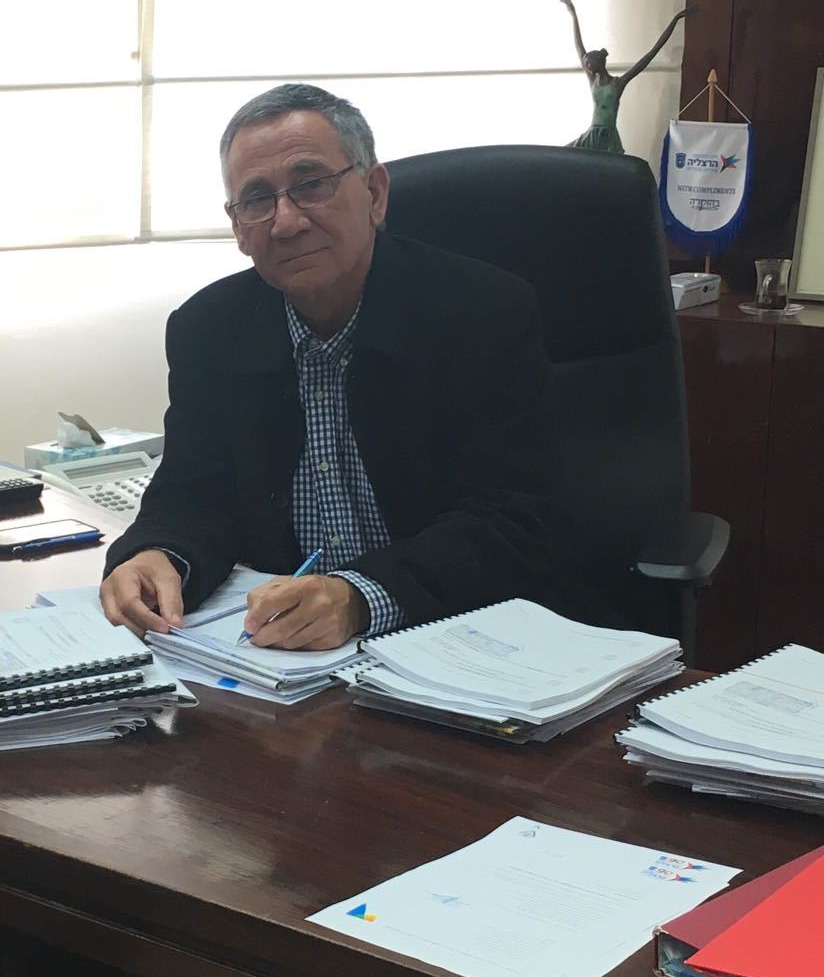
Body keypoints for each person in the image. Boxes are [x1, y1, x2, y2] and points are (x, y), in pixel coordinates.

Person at [101, 83, 618, 650]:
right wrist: (157, 554)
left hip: (469, 640)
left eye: (311, 185)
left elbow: (513, 520)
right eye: (256, 199)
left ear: (375, 193)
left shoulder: (483, 313)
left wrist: (359, 595)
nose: (286, 222)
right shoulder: (209, 329)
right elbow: (192, 493)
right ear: (238, 229)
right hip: (293, 661)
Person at [561, 0, 696, 154]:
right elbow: (579, 47)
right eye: (586, 65)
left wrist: (675, 19)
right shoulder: (593, 81)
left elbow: (651, 54)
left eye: (589, 64)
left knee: (607, 166)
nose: (587, 67)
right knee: (563, 154)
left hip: (609, 137)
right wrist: (573, 14)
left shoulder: (617, 84)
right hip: (593, 133)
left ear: (599, 62)